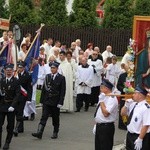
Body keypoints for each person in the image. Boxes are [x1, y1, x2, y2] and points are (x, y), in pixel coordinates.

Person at [32, 61, 66, 139]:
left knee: (55, 118)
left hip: (55, 101)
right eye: (51, 68)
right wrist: (41, 100)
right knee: (44, 116)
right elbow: (44, 89)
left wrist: (61, 102)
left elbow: (62, 91)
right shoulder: (47, 76)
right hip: (47, 100)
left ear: (57, 69)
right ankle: (39, 132)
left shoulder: (61, 78)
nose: (52, 69)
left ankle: (55, 132)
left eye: (54, 68)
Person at [121, 86, 150, 150]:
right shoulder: (133, 104)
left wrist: (140, 139)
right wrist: (126, 105)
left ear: (140, 95)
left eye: (135, 93)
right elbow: (122, 113)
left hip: (139, 136)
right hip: (130, 135)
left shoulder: (146, 108)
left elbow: (146, 125)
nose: (133, 95)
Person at [93, 79, 118, 150]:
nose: (100, 89)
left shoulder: (112, 98)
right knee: (98, 147)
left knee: (105, 147)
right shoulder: (104, 96)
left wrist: (101, 101)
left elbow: (105, 113)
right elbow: (99, 112)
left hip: (106, 127)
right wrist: (97, 123)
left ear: (106, 88)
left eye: (101, 87)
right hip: (100, 126)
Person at [0, 63, 20, 150]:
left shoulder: (16, 81)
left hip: (10, 107)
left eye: (10, 70)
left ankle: (7, 142)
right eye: (7, 70)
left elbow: (17, 95)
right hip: (2, 106)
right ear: (4, 71)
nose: (8, 72)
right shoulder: (1, 80)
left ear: (13, 71)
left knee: (10, 126)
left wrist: (13, 105)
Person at [13, 61, 32, 136]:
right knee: (16, 112)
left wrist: (29, 99)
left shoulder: (27, 75)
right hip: (15, 96)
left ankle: (17, 128)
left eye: (21, 67)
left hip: (22, 96)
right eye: (18, 67)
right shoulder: (15, 74)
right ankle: (21, 127)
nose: (19, 69)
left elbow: (29, 88)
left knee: (20, 112)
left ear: (24, 68)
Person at [117, 65, 128, 130]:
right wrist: (123, 89)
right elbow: (118, 85)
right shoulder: (122, 75)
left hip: (132, 96)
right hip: (123, 95)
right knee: (122, 109)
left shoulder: (135, 76)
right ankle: (122, 125)